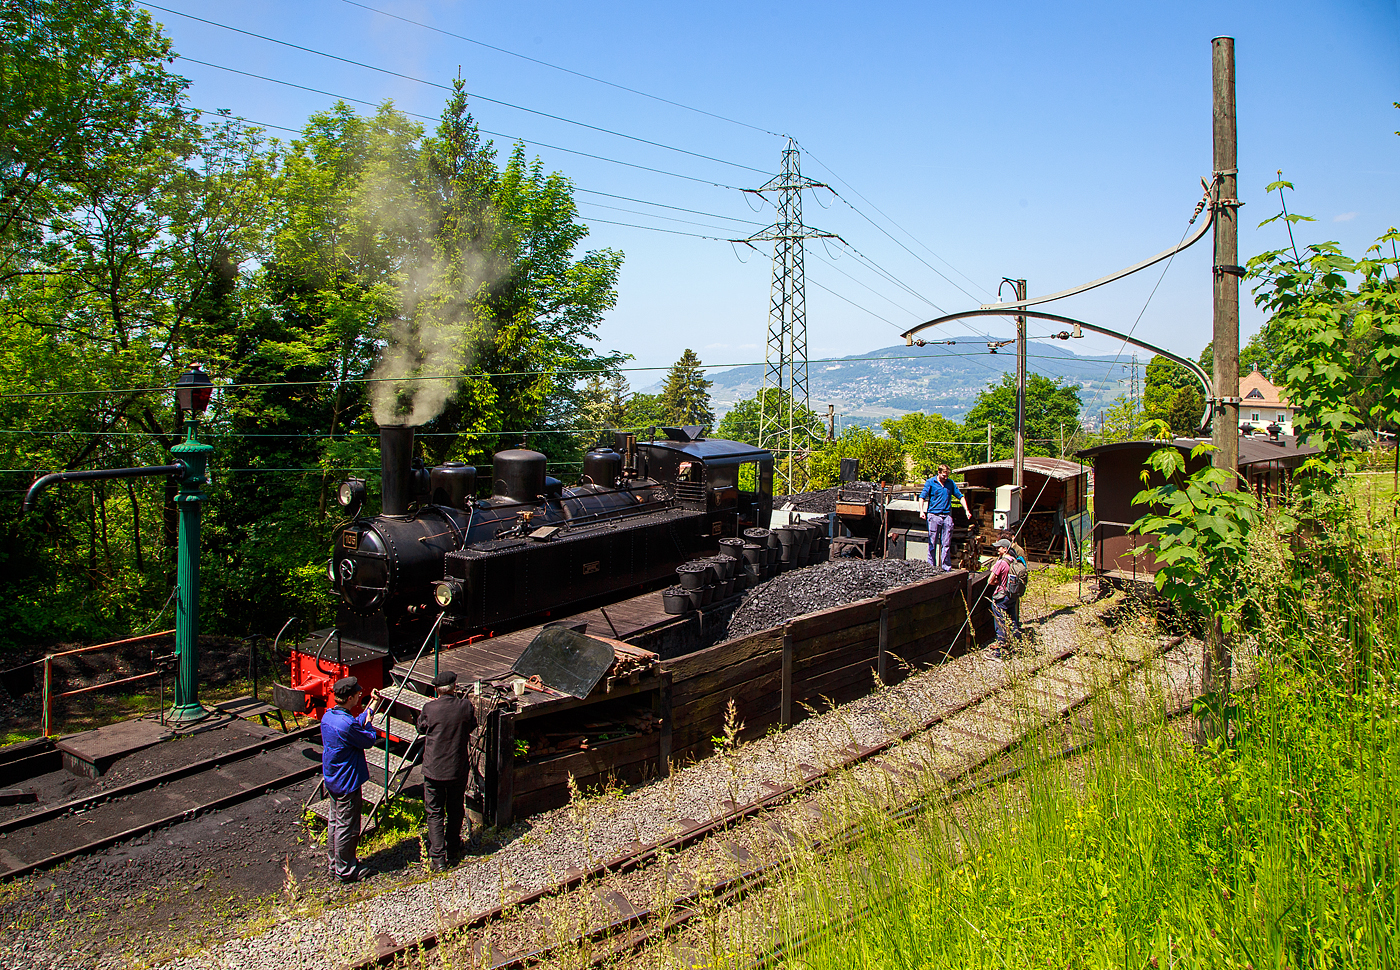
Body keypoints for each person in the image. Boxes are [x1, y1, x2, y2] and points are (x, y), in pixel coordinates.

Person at [320, 676, 381, 883]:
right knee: (347, 827)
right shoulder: (346, 725)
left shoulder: (329, 717)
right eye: (357, 694)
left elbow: (354, 725)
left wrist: (372, 706)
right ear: (349, 698)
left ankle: (335, 865)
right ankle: (345, 871)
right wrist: (370, 723)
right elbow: (368, 739)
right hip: (348, 782)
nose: (359, 696)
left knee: (334, 823)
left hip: (333, 779)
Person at [416, 670, 478, 871]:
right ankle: (453, 848)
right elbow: (472, 725)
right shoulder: (465, 706)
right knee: (455, 808)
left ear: (437, 690)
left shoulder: (430, 708)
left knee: (434, 812)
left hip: (434, 769)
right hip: (457, 767)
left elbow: (420, 728)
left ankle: (438, 858)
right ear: (454, 687)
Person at [918, 464, 971, 572]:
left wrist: (966, 510)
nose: (945, 478)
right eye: (943, 475)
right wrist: (921, 511)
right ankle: (931, 567)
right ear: (939, 473)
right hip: (934, 515)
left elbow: (960, 497)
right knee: (932, 543)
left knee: (946, 544)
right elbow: (922, 497)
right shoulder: (930, 482)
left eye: (947, 476)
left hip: (946, 516)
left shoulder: (950, 483)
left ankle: (946, 568)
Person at [988, 539, 1022, 655]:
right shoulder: (1014, 560)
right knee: (1012, 621)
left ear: (1005, 549)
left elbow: (990, 581)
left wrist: (996, 582)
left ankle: (1000, 651)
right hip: (1012, 595)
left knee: (1000, 623)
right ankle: (1017, 645)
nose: (997, 549)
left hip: (1001, 596)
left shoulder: (1001, 563)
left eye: (999, 547)